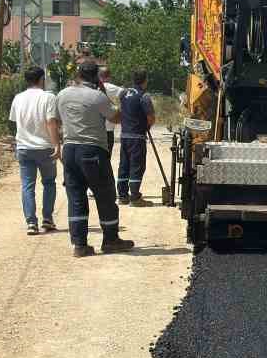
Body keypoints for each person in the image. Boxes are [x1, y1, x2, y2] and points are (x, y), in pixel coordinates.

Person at [57, 59, 135, 258]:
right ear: (97, 78)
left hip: (70, 150)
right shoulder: (97, 97)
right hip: (92, 151)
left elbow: (57, 118)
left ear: (78, 75)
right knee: (105, 195)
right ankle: (110, 240)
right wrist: (108, 95)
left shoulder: (62, 95)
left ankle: (80, 245)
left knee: (76, 197)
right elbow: (115, 117)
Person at [8, 64, 60, 235]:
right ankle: (47, 218)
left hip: (24, 147)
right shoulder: (48, 97)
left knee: (27, 186)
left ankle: (31, 222)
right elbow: (51, 122)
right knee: (49, 183)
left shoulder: (18, 98)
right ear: (41, 79)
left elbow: (15, 122)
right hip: (45, 147)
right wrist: (56, 145)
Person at [117, 70, 156, 206]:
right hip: (137, 137)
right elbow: (151, 118)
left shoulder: (123, 93)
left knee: (124, 165)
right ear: (145, 80)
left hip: (124, 135)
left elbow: (122, 111)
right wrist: (146, 127)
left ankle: (122, 196)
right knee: (136, 166)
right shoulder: (144, 96)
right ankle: (135, 198)